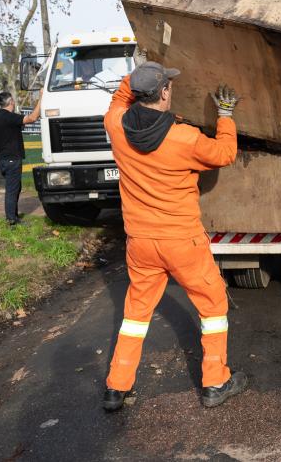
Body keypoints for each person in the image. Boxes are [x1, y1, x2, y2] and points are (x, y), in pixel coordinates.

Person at [102, 61, 245, 411]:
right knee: (212, 306)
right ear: (165, 92)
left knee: (136, 313)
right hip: (182, 241)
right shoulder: (184, 138)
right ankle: (215, 381)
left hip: (140, 242)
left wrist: (139, 73)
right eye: (169, 85)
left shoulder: (116, 126)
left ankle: (116, 387)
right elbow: (225, 154)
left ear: (137, 93)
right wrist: (225, 115)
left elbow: (120, 98)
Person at [0, 91, 42, 226]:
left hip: (2, 158)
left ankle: (14, 215)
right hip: (12, 158)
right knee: (12, 189)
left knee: (15, 187)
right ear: (11, 101)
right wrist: (41, 97)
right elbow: (32, 118)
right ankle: (11, 219)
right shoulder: (10, 117)